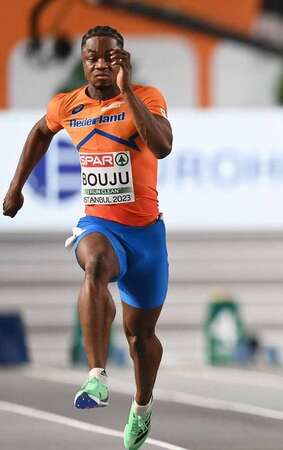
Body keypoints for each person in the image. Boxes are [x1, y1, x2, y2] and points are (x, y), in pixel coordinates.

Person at [2, 25, 173, 449]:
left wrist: (126, 89)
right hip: (101, 225)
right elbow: (41, 132)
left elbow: (163, 145)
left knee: (142, 339)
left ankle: (142, 405)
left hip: (147, 237)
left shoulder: (147, 97)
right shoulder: (67, 106)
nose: (101, 64)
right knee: (94, 264)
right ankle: (96, 376)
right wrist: (15, 186)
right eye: (93, 57)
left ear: (122, 59)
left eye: (110, 57)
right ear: (83, 62)